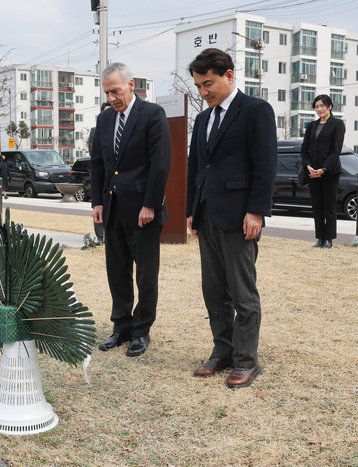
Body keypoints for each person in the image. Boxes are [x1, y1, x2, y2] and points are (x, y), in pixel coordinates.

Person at [186, 48, 277, 388]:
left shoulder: (256, 110)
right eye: (198, 86)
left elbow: (265, 166)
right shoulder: (203, 119)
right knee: (213, 289)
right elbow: (197, 166)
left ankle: (246, 360)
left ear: (228, 75)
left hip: (240, 216)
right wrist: (191, 211)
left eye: (208, 83)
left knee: (242, 291)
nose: (203, 91)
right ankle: (222, 351)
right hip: (208, 212)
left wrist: (256, 211)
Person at [91, 62, 171, 357]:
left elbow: (160, 164)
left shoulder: (152, 114)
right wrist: (98, 202)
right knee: (117, 271)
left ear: (131, 85)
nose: (112, 97)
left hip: (143, 210)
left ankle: (141, 330)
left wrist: (150, 203)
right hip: (112, 207)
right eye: (107, 93)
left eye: (116, 90)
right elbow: (99, 164)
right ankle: (121, 327)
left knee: (146, 274)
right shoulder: (104, 120)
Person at [301, 94, 345, 249]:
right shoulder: (312, 126)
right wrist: (308, 166)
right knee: (317, 206)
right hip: (312, 172)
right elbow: (304, 148)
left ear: (329, 107)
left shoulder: (338, 124)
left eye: (322, 106)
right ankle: (320, 238)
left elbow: (336, 150)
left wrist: (324, 169)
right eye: (316, 107)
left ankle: (329, 239)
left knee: (329, 207)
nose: (319, 109)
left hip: (330, 172)